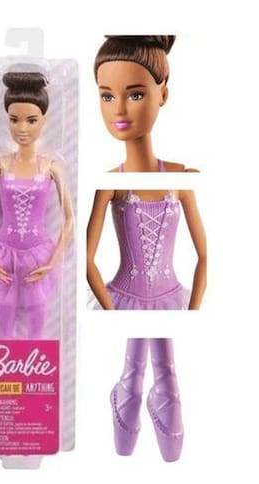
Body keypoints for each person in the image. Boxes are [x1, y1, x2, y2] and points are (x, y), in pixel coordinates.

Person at [87, 36, 207, 461]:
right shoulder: (109, 182)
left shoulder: (183, 176)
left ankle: (135, 394)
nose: (118, 109)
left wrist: (193, 312)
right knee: (152, 373)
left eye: (135, 94)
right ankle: (139, 395)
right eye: (106, 96)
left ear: (163, 95)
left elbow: (205, 255)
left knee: (155, 373)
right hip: (124, 296)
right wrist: (110, 310)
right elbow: (87, 260)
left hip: (172, 297)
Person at [0, 71, 74, 339]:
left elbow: (69, 218)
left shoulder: (51, 167)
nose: (22, 128)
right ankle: (2, 362)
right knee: (2, 330)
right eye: (14, 120)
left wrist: (53, 261)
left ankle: (37, 364)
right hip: (2, 255)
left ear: (44, 120)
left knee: (36, 332)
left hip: (38, 257)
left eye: (32, 120)